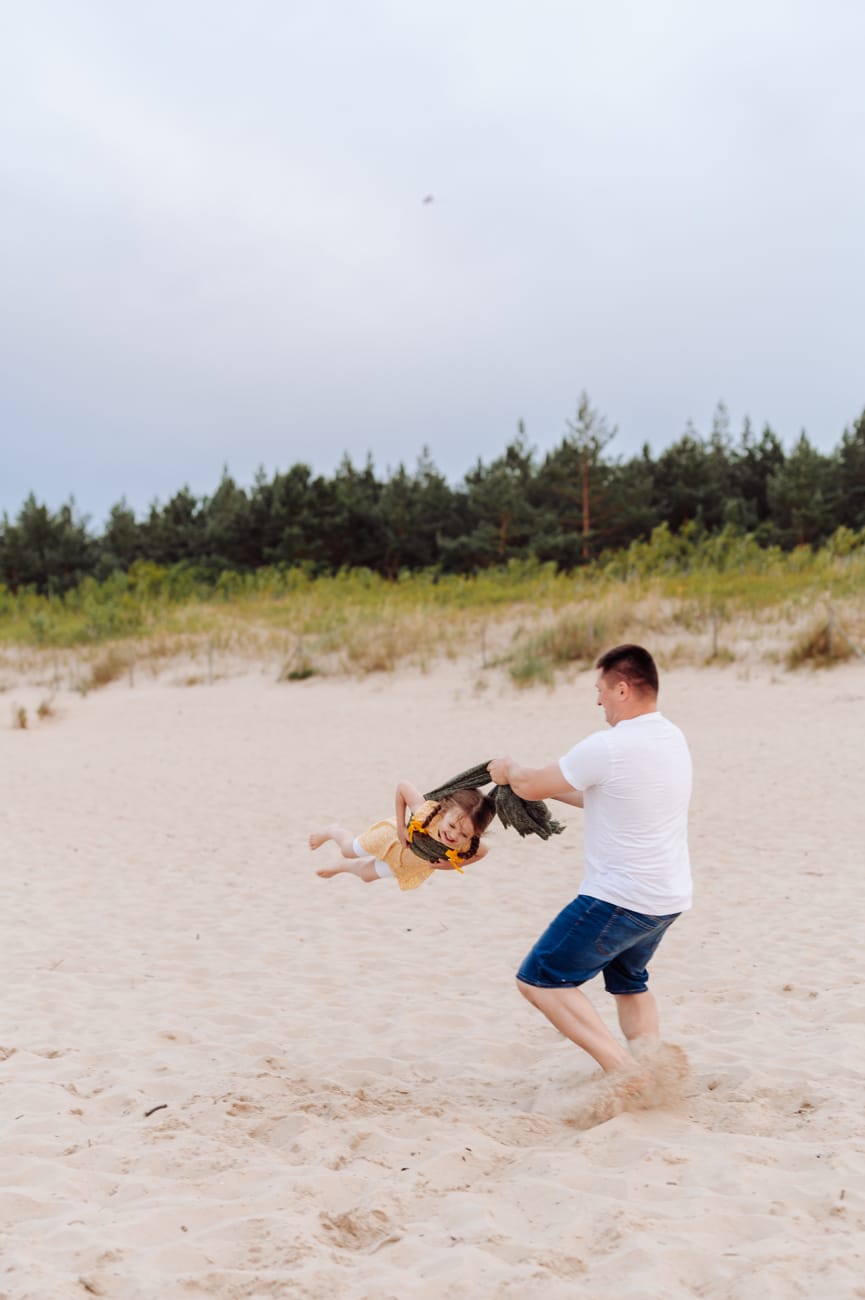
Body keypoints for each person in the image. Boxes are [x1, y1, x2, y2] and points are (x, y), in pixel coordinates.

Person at [488, 643, 692, 1081]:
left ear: (622, 689)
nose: (597, 699)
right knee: (628, 983)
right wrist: (533, 786)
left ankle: (624, 1073)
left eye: (600, 689)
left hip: (621, 897)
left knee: (539, 979)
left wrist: (510, 772)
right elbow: (595, 795)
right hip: (666, 897)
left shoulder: (610, 746)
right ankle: (652, 1070)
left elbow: (529, 782)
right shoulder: (670, 737)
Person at [309, 781, 496, 890]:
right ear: (444, 811)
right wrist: (401, 827)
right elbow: (402, 787)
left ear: (474, 834)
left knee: (366, 875)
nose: (453, 835)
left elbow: (483, 852)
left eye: (463, 834)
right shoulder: (425, 812)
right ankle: (332, 830)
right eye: (452, 825)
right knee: (347, 849)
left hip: (410, 861)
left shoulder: (471, 844)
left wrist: (449, 866)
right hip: (391, 838)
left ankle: (344, 867)